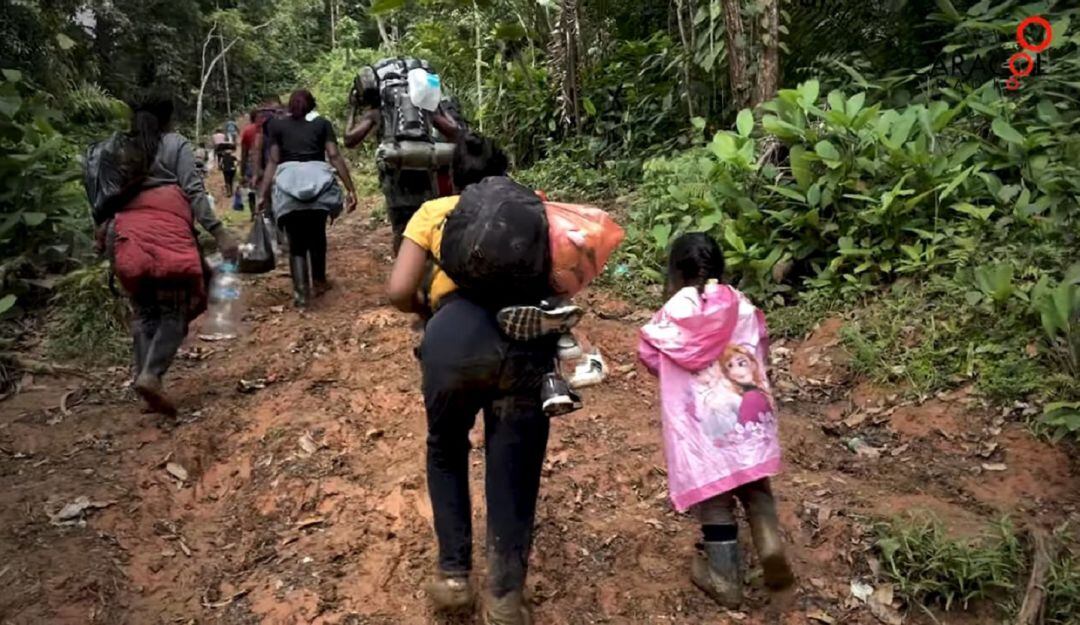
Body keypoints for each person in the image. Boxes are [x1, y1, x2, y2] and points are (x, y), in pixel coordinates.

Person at [387, 134, 551, 625]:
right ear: (503, 172)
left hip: (451, 339)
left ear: (453, 175)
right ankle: (504, 597)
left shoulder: (434, 211)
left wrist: (427, 313)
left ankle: (455, 576)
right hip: (521, 340)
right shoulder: (530, 208)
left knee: (446, 447)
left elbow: (398, 291)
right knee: (514, 464)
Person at [638, 233, 794, 609]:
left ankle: (724, 579)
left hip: (702, 426)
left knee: (716, 498)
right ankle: (769, 540)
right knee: (754, 481)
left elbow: (649, 354)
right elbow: (761, 342)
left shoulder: (672, 314)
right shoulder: (741, 304)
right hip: (747, 410)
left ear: (675, 272)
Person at [99, 96, 238, 416]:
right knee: (173, 310)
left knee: (145, 311)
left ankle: (143, 378)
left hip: (124, 234)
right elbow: (193, 190)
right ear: (168, 119)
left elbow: (103, 195)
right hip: (166, 233)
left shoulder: (117, 148)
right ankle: (152, 375)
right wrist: (218, 231)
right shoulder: (176, 144)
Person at [344, 58, 461, 254]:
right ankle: (427, 274)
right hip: (425, 170)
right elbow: (454, 131)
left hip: (395, 174)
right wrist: (437, 105)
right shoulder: (424, 107)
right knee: (427, 223)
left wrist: (353, 109)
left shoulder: (377, 111)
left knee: (401, 228)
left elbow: (349, 140)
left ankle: (405, 270)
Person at [257, 89, 357, 308]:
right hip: (318, 187)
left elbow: (273, 161)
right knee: (317, 236)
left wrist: (263, 193)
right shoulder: (322, 124)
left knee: (296, 244)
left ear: (289, 106)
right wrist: (350, 189)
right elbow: (333, 155)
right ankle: (319, 282)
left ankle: (301, 294)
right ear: (312, 106)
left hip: (288, 188)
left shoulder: (276, 126)